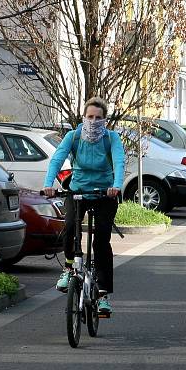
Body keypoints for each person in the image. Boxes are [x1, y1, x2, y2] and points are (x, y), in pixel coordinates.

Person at [42, 97, 125, 315]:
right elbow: (56, 160)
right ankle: (69, 267)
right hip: (78, 190)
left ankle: (103, 294)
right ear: (83, 118)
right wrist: (48, 184)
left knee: (101, 241)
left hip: (104, 193)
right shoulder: (74, 136)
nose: (94, 121)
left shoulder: (111, 138)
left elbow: (119, 161)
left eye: (98, 118)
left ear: (105, 120)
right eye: (90, 117)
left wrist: (116, 186)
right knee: (70, 228)